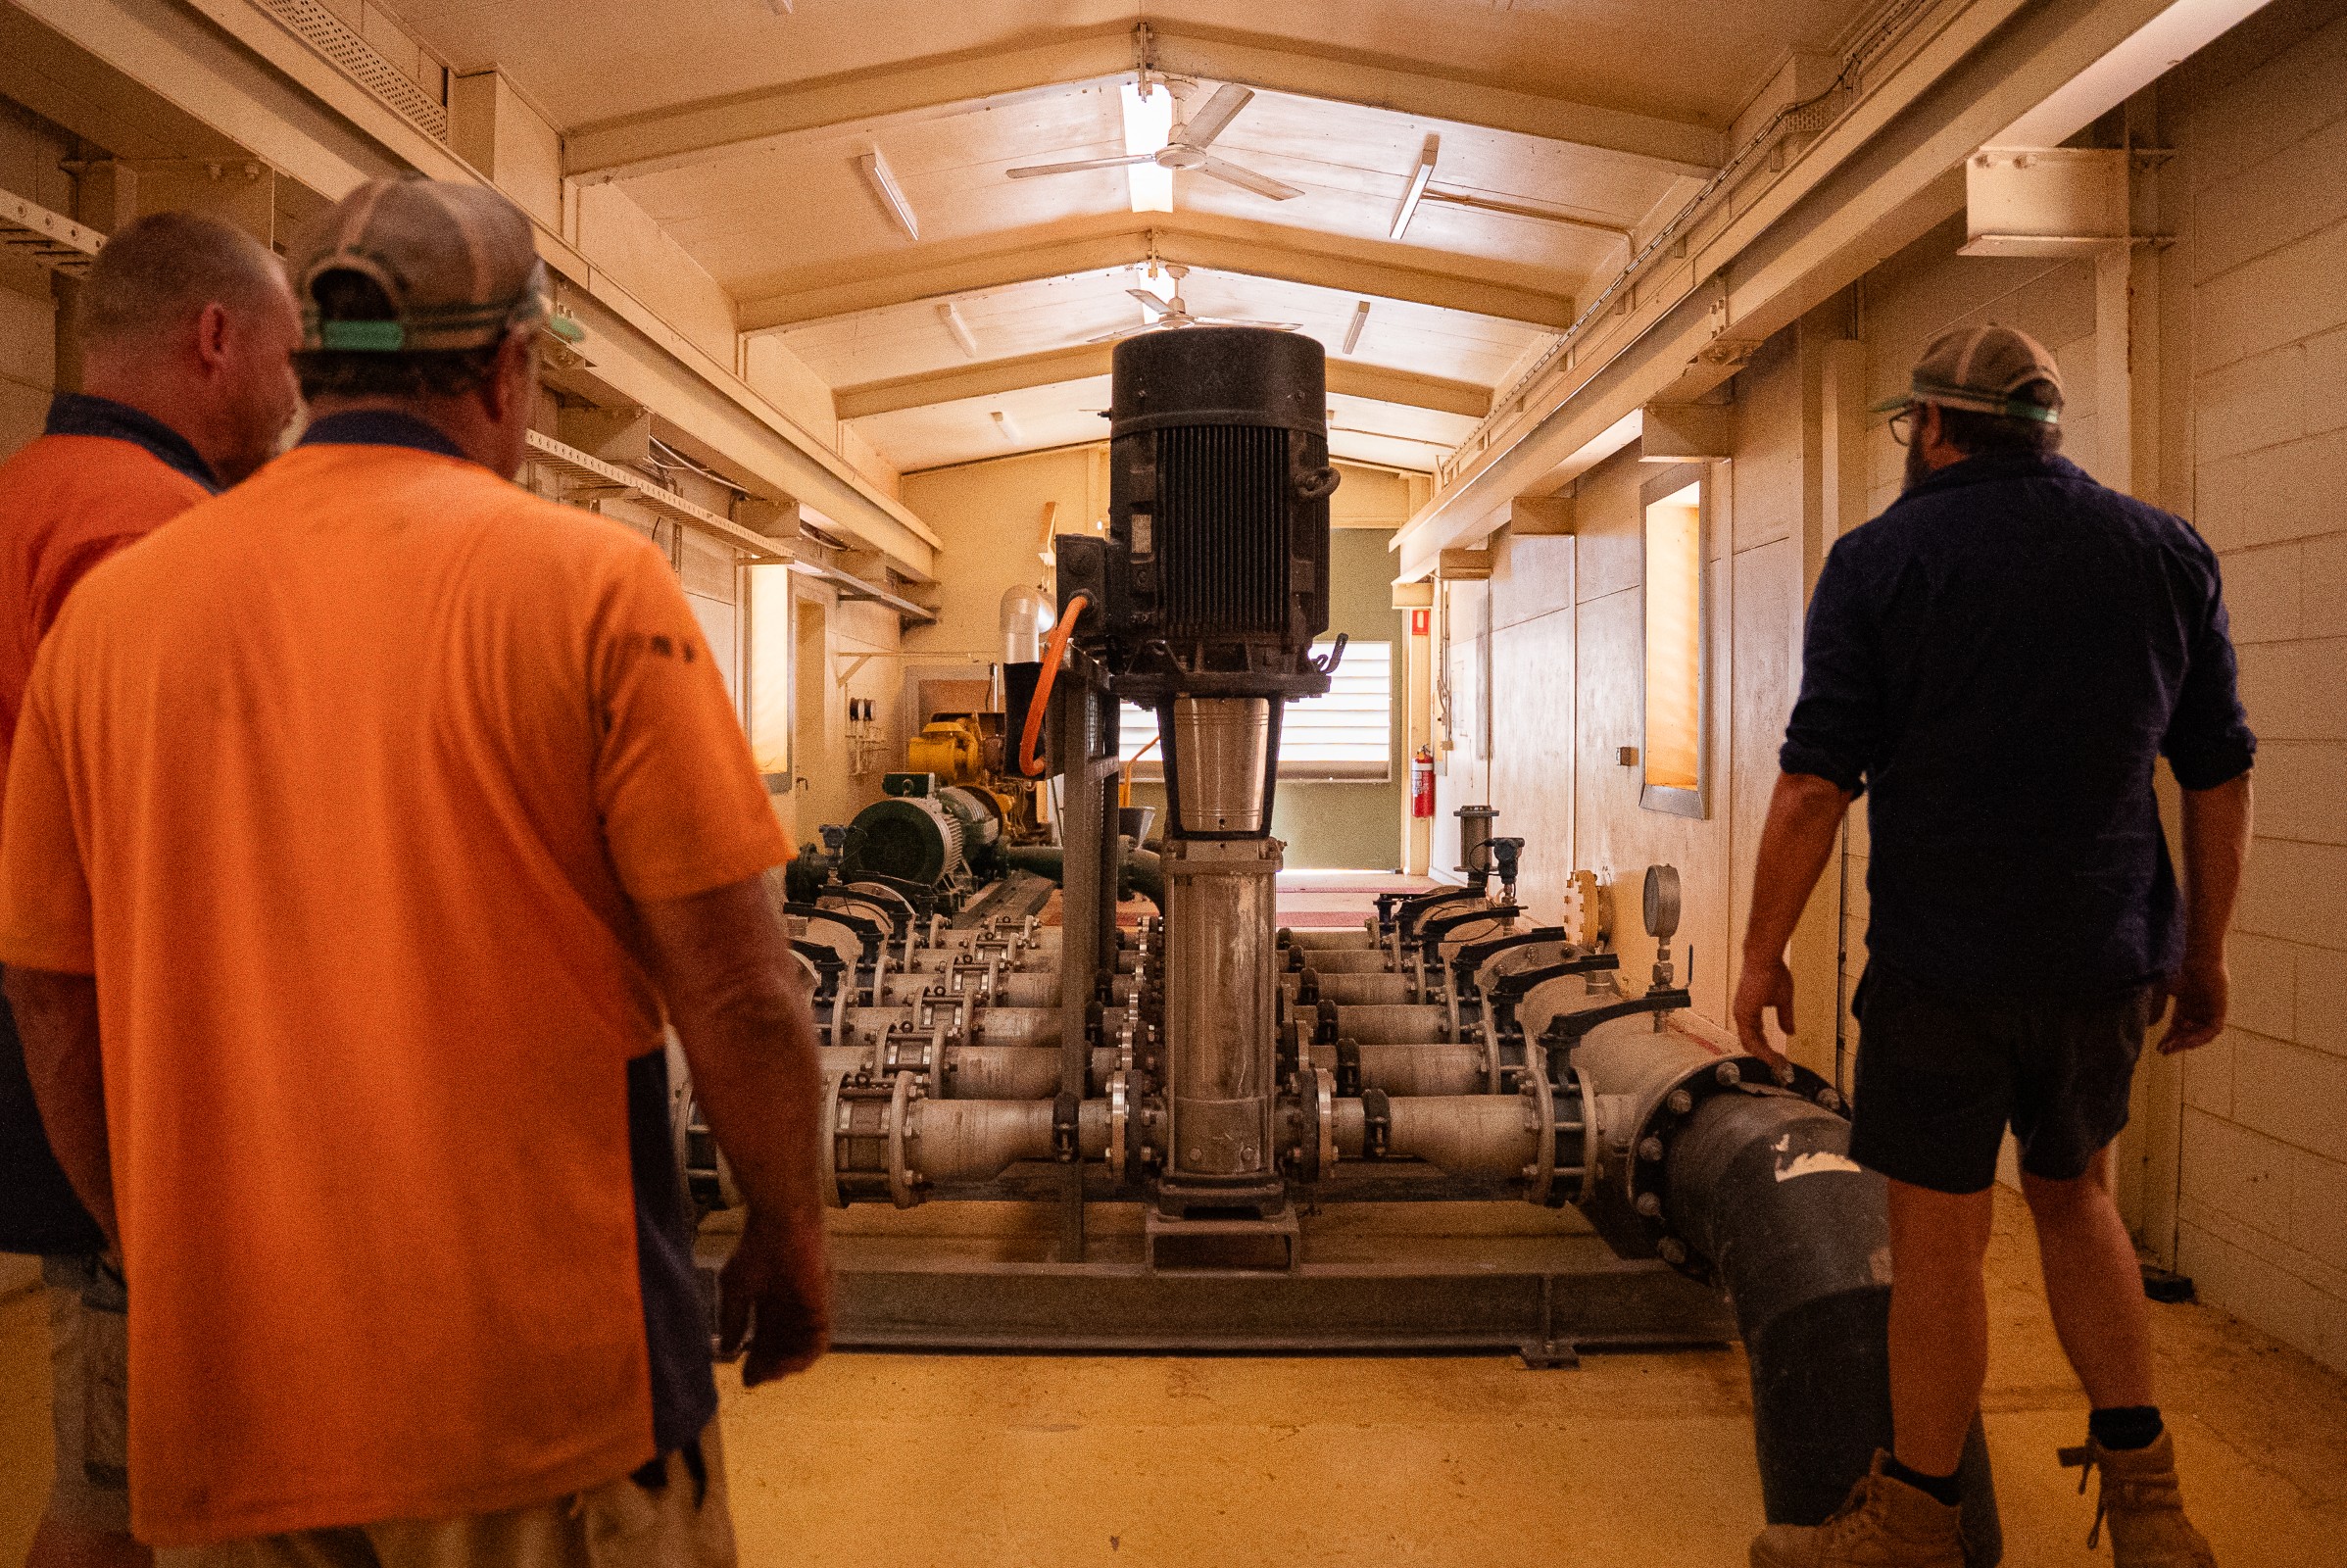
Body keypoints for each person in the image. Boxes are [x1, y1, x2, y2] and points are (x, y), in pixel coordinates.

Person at [0, 173, 831, 1564]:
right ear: (510, 369)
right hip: (539, 1403)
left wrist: (157, 1252)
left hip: (237, 1404)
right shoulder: (594, 587)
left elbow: (49, 998)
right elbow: (738, 991)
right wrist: (791, 1234)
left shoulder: (118, 616)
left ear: (308, 365)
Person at [1733, 324, 2254, 1568]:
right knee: (2079, 1207)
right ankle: (2152, 1514)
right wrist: (2204, 950)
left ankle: (1915, 1519)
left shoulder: (1881, 561)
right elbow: (2217, 769)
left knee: (1939, 1243)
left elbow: (1815, 786)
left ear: (1932, 425)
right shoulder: (2165, 552)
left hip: (1942, 967)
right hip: (2101, 952)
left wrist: (1761, 952)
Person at [0, 209, 302, 1568]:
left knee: (108, 1447)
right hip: (117, 1060)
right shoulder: (150, 530)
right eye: (296, 358)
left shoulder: (32, 490)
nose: (302, 397)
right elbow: (173, 843)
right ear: (218, 339)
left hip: (52, 1026)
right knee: (115, 1478)